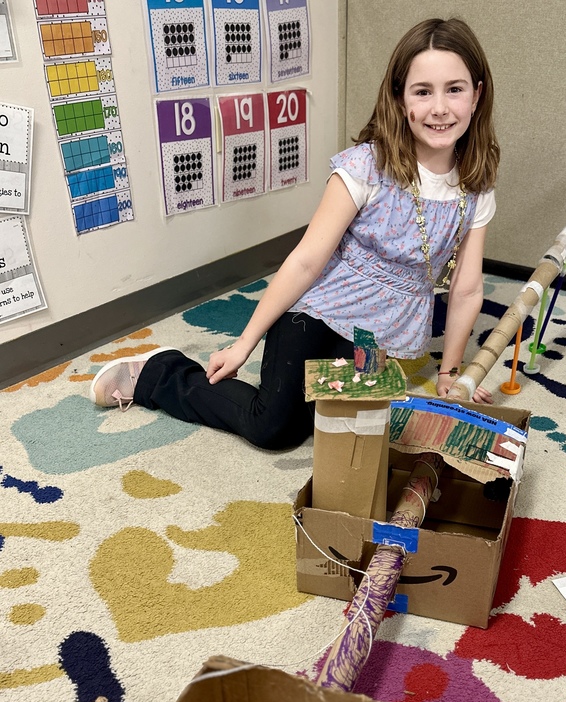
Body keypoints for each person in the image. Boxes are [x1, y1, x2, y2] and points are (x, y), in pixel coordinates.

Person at [90, 17, 501, 450]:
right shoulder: (365, 168)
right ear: (400, 99)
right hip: (318, 310)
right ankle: (158, 372)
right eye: (423, 91)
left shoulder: (476, 184)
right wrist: (243, 345)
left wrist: (451, 375)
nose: (440, 107)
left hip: (377, 333)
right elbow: (306, 261)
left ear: (477, 94)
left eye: (454, 89)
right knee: (275, 429)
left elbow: (467, 289)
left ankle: (322, 396)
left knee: (349, 429)